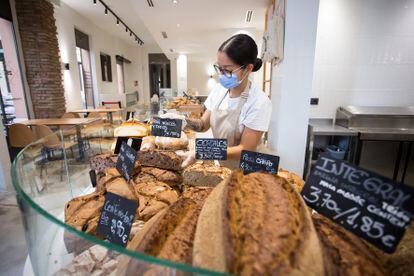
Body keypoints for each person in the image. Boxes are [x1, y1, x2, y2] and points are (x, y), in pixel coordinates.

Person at [181, 34, 272, 168]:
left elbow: (245, 149)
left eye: (227, 70)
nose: (221, 74)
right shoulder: (219, 90)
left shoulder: (259, 102)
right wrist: (182, 122)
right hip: (225, 165)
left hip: (247, 172)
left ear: (248, 68)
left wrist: (203, 152)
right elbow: (203, 125)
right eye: (219, 68)